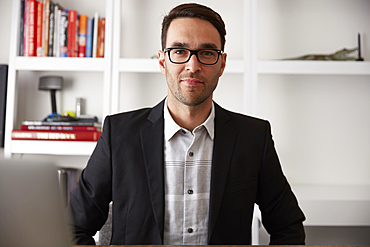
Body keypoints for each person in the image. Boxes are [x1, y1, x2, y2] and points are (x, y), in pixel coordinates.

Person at [67, 3, 306, 245]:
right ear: (162, 61)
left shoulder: (253, 137)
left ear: (222, 64)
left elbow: (288, 227)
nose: (193, 66)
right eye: (180, 51)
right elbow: (72, 229)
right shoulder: (118, 135)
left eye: (207, 53)